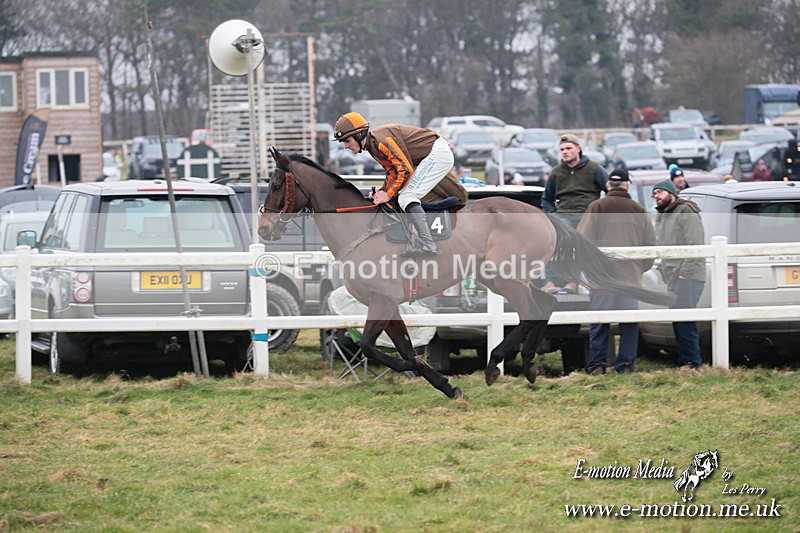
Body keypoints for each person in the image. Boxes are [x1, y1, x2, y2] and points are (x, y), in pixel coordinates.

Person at [333, 112, 454, 257]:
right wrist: (382, 191)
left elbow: (405, 170)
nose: (346, 146)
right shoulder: (372, 146)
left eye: (347, 141)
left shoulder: (382, 141)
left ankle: (427, 244)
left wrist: (387, 194)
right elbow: (392, 172)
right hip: (431, 154)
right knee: (403, 196)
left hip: (437, 154)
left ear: (359, 134)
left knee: (407, 197)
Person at [577, 169, 656, 374]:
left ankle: (597, 365)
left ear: (608, 186)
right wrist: (639, 268)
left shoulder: (596, 207)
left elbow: (582, 241)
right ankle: (626, 365)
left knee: (600, 323)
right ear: (628, 185)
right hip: (630, 277)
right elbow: (650, 246)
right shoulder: (639, 210)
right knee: (629, 325)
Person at [541, 133, 608, 294]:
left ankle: (573, 280)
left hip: (588, 215)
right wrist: (553, 215)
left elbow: (610, 190)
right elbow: (547, 199)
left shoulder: (594, 169)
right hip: (564, 215)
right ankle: (549, 281)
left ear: (578, 149)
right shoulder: (556, 172)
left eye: (568, 148)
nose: (565, 152)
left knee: (580, 243)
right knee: (552, 242)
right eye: (562, 149)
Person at [652, 179, 706, 368]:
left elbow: (695, 244)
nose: (656, 197)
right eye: (654, 194)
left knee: (685, 322)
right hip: (673, 275)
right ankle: (686, 361)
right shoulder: (663, 214)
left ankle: (692, 363)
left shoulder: (685, 210)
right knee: (679, 321)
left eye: (659, 192)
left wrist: (684, 274)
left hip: (687, 277)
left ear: (671, 192)